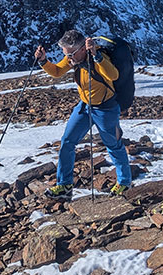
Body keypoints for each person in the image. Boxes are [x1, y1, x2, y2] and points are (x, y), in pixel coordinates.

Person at [35, 29, 132, 199]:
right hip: (85, 107)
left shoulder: (99, 59)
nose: (68, 58)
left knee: (113, 145)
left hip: (105, 109)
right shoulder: (74, 57)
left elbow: (113, 75)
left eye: (70, 54)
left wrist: (97, 57)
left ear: (81, 49)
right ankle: (64, 185)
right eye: (66, 54)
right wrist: (44, 61)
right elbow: (57, 71)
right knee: (67, 142)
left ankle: (124, 183)